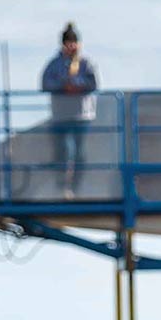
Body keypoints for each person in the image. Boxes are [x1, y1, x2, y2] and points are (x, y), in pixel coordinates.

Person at [40, 23, 99, 198]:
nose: (72, 46)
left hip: (82, 117)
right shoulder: (54, 64)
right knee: (63, 152)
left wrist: (77, 85)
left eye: (75, 42)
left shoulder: (86, 63)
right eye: (69, 42)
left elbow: (93, 83)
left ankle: (77, 187)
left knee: (80, 154)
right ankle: (61, 187)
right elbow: (45, 83)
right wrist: (63, 86)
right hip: (61, 117)